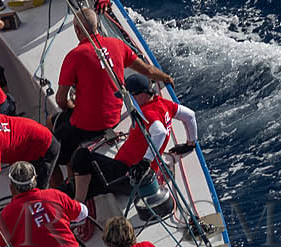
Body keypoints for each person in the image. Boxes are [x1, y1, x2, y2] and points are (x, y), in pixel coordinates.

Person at [51, 8, 173, 184]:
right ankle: (73, 165)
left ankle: (66, 186)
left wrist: (72, 107)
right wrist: (167, 78)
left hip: (86, 126)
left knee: (49, 152)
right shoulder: (117, 45)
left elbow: (61, 100)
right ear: (98, 26)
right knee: (61, 123)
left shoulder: (74, 56)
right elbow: (148, 70)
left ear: (78, 30)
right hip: (113, 119)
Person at [71, 74, 199, 204]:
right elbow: (190, 115)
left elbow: (160, 132)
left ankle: (77, 205)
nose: (127, 100)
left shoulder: (148, 113)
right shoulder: (163, 103)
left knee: (82, 156)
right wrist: (190, 144)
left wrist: (145, 162)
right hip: (130, 172)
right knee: (79, 183)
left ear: (142, 95)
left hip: (129, 176)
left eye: (129, 97)